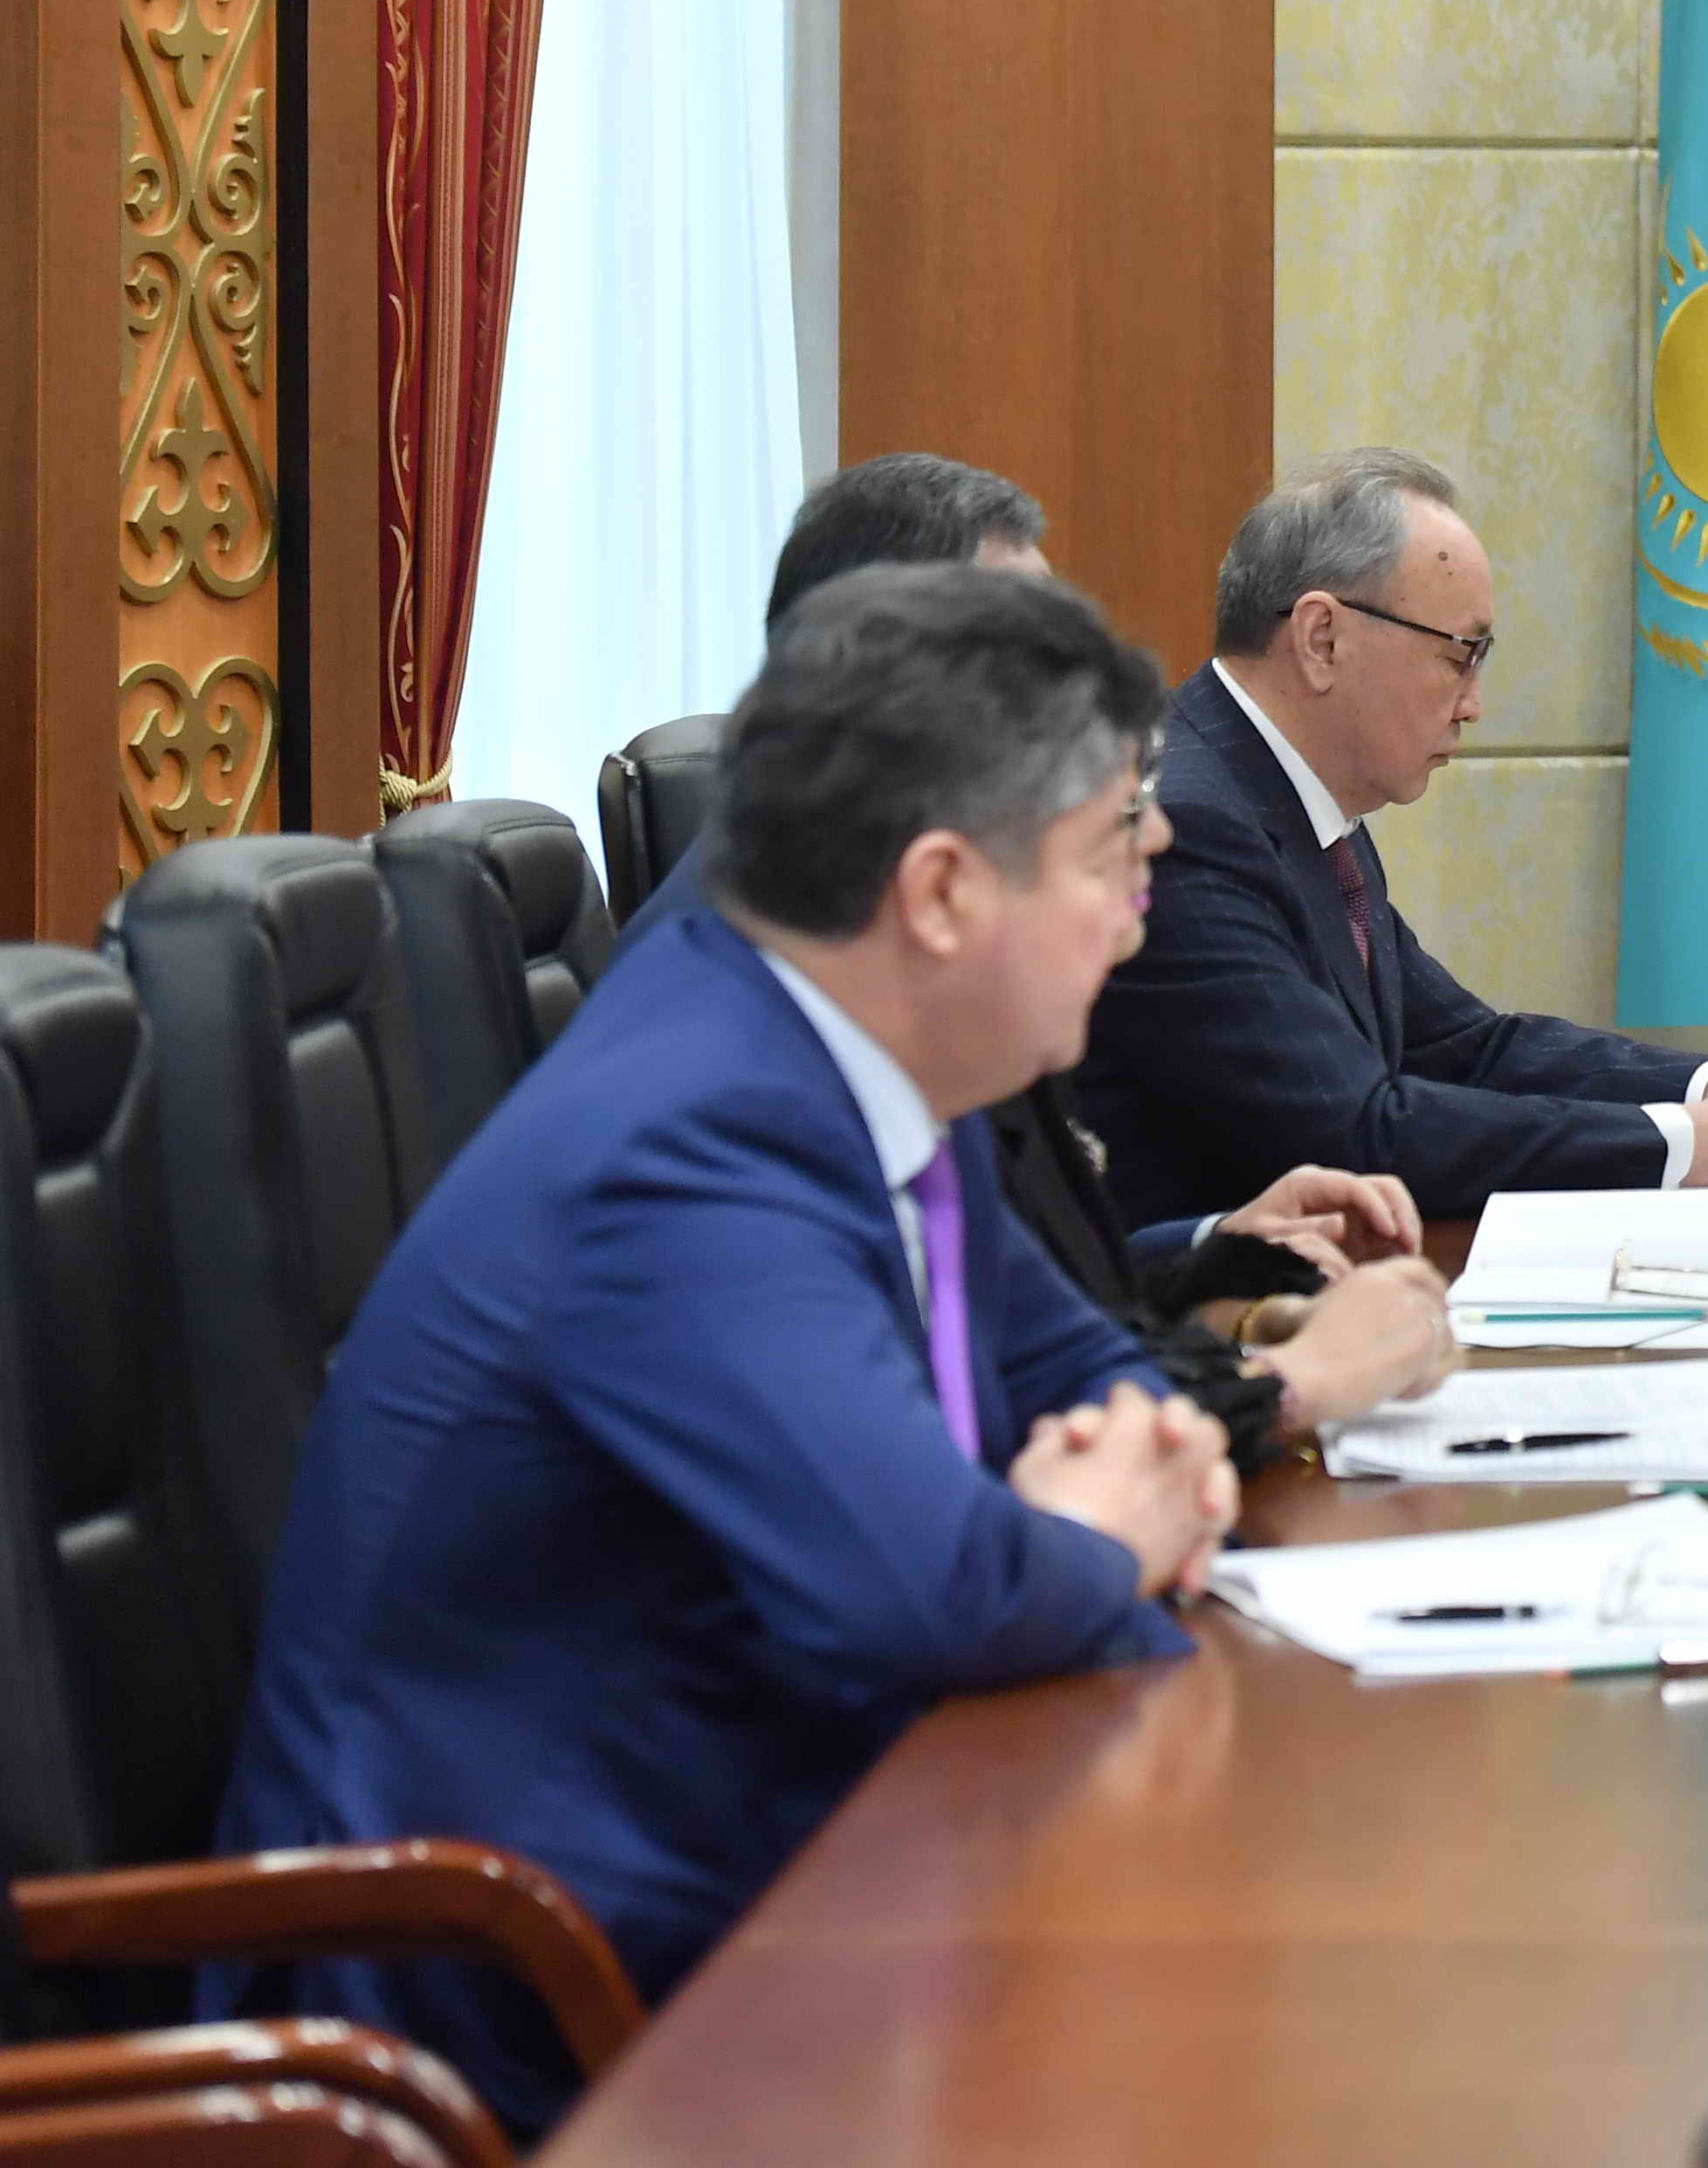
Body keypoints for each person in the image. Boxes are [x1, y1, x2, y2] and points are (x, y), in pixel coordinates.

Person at [213, 567, 1243, 2133]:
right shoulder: (691, 1141)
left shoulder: (876, 1070)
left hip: (772, 1874)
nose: (1145, 888)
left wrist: (1137, 1477)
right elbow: (934, 1586)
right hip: (533, 2011)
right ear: (942, 893)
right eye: (1115, 845)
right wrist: (1101, 1534)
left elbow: (1102, 1380)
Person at [616, 451, 1459, 1461]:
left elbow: (1023, 1318)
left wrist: (1217, 1258)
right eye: (1041, 680)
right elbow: (925, 1494)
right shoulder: (727, 1067)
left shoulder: (895, 979)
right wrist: (1291, 1385)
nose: (1147, 833)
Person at [1062, 450, 1708, 1220]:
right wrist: (1701, 1146)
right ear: (1323, 639)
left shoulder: (1292, 797)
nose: (1474, 704)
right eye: (1459, 655)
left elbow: (1464, 1049)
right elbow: (1358, 1132)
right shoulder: (1190, 825)